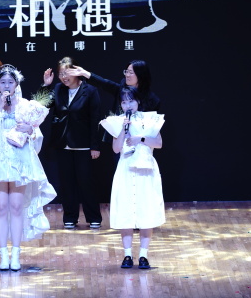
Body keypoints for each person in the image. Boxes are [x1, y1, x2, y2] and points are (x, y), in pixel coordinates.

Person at [0, 64, 56, 271]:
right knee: (1, 207)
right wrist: (0, 109)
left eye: (10, 82)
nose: (6, 86)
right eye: (3, 82)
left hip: (19, 158)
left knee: (16, 206)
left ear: (16, 84)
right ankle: (3, 253)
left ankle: (16, 254)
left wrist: (29, 128)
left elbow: (34, 132)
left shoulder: (25, 105)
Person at [100, 86, 165, 270]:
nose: (128, 105)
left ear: (138, 102)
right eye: (124, 101)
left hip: (146, 170)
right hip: (126, 169)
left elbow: (159, 143)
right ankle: (127, 255)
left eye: (131, 101)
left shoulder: (150, 119)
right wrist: (123, 129)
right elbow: (116, 148)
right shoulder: (118, 121)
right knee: (126, 211)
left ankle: (143, 256)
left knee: (146, 211)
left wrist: (140, 138)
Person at [40, 57, 103, 229]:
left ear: (76, 72)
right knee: (67, 183)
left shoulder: (90, 90)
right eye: (60, 74)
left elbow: (95, 119)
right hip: (63, 143)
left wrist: (95, 146)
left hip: (84, 144)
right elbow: (41, 105)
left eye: (66, 73)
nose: (63, 77)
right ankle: (70, 217)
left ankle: (94, 217)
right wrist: (46, 85)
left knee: (86, 182)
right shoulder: (58, 89)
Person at [67, 59, 161, 116]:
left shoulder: (152, 100)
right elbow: (104, 83)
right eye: (126, 71)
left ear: (141, 75)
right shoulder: (121, 90)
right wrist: (84, 73)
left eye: (131, 72)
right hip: (118, 136)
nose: (127, 75)